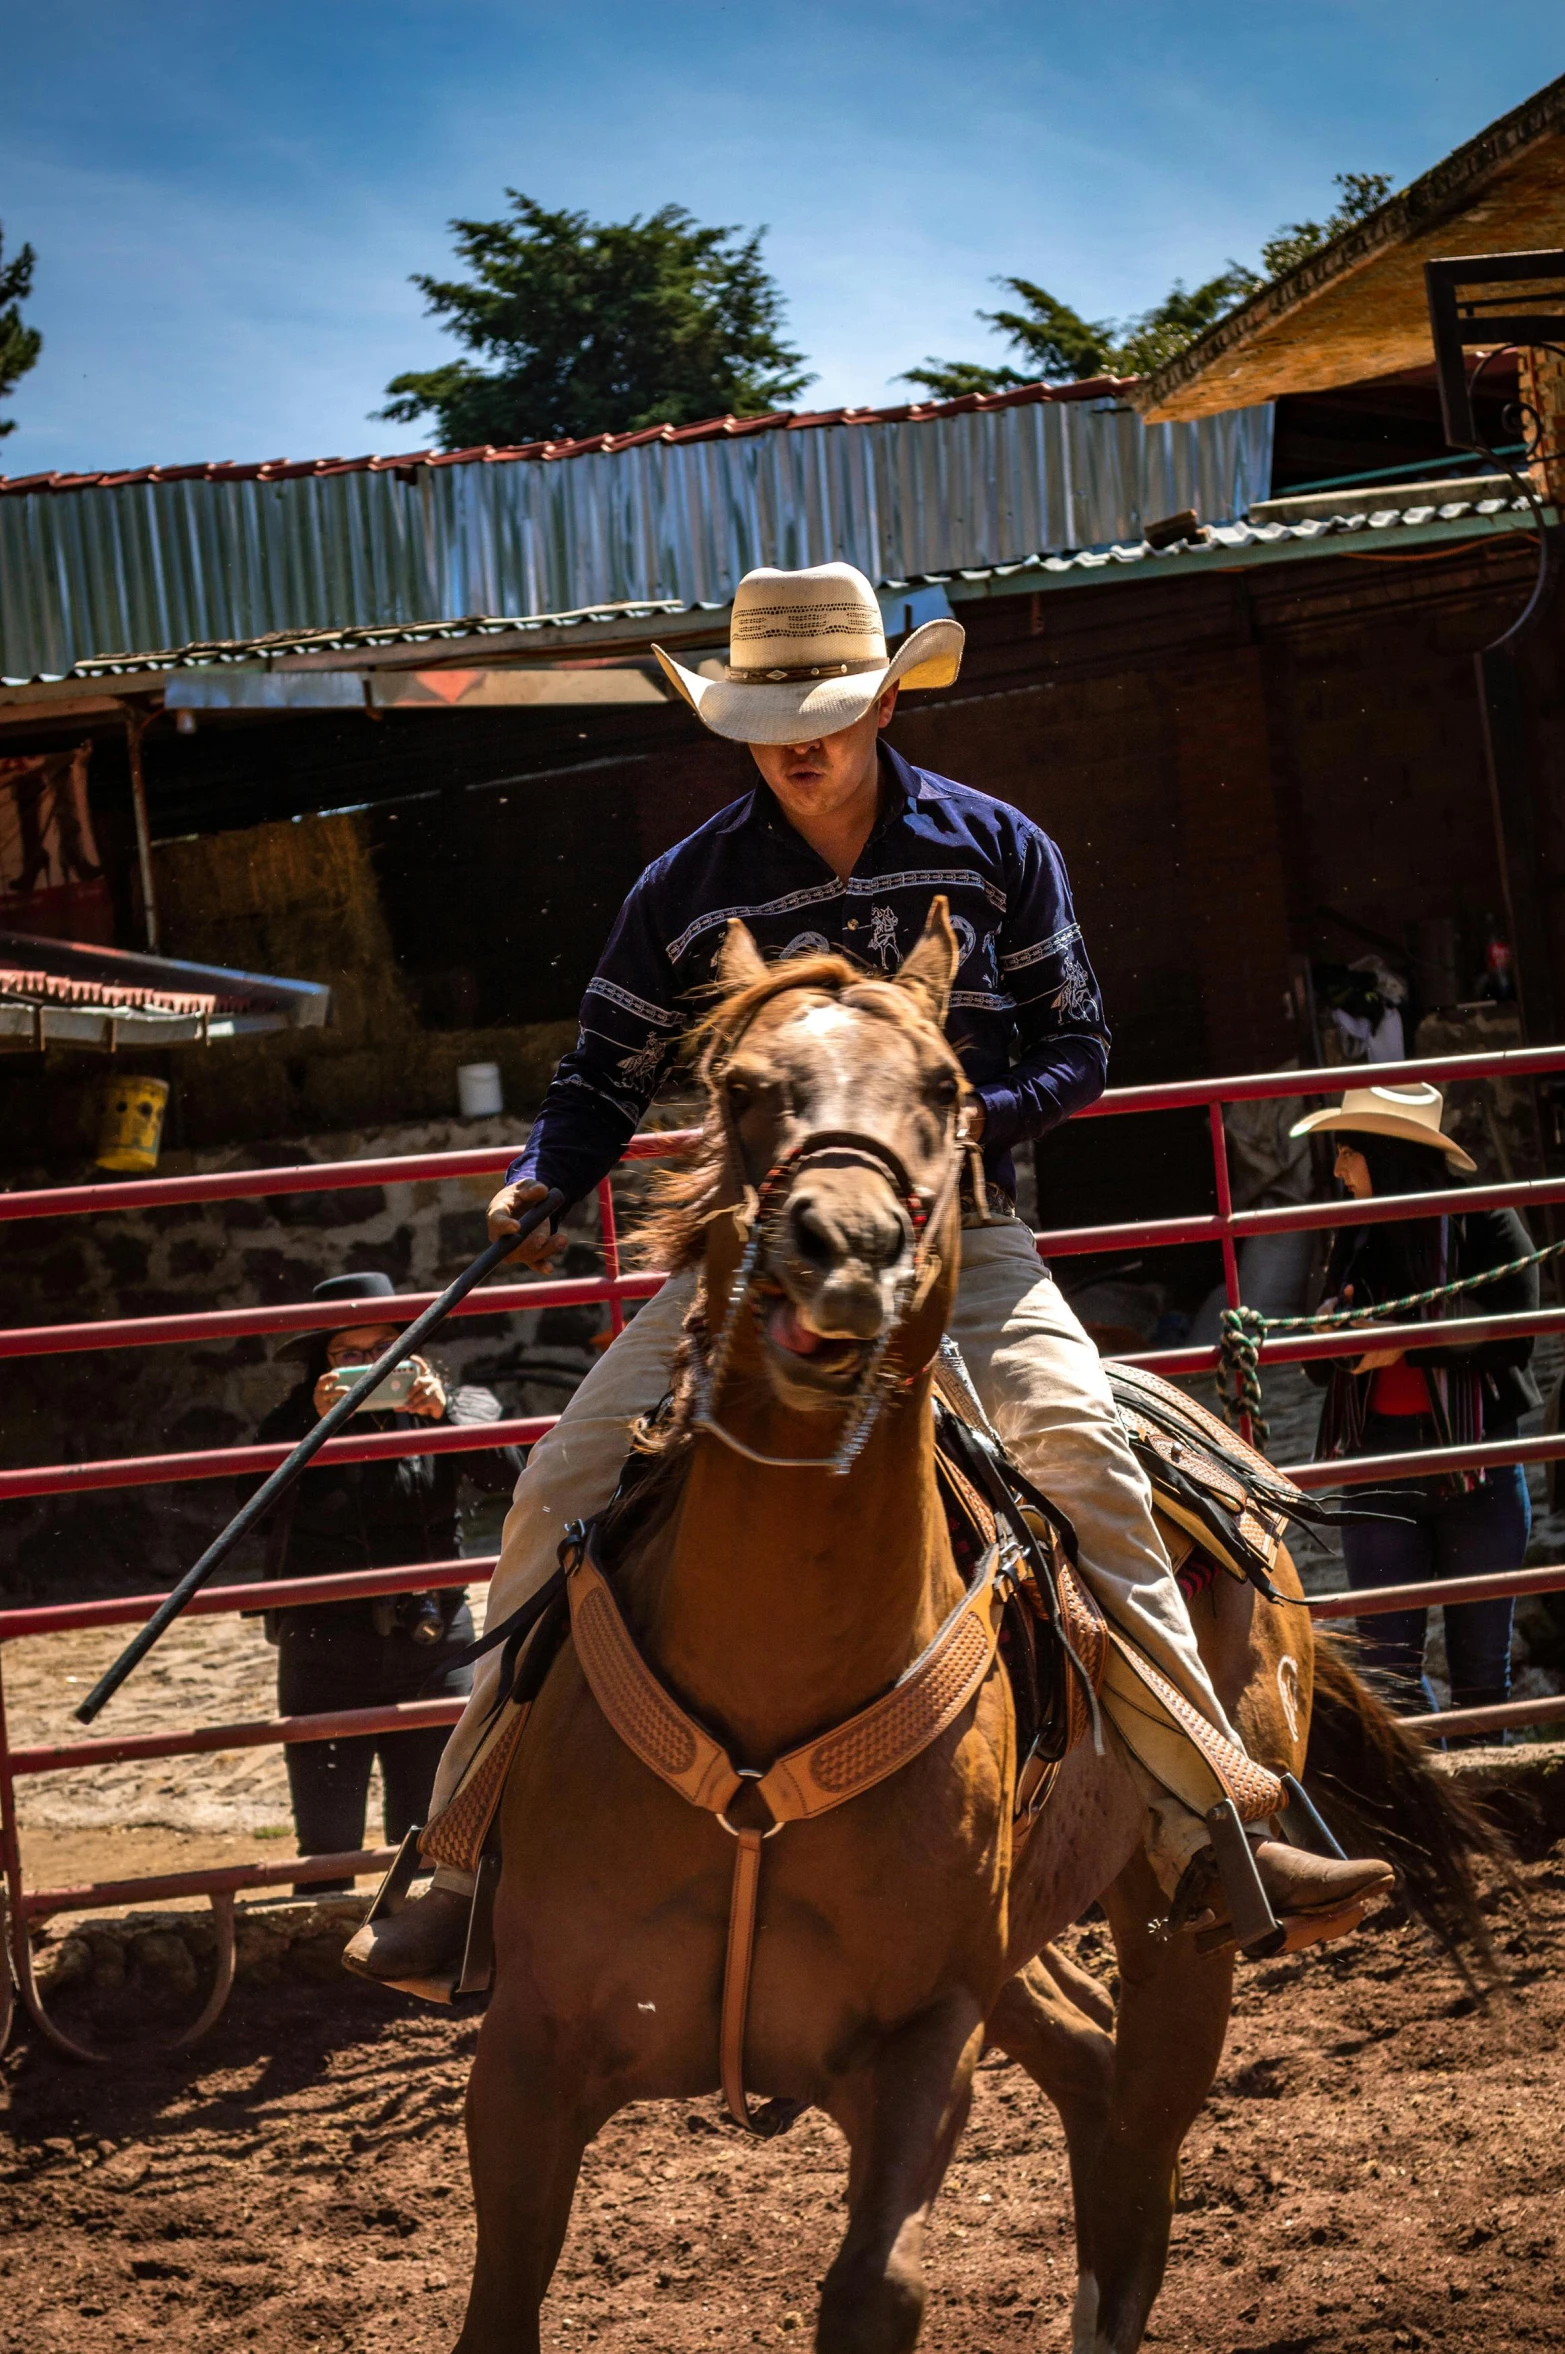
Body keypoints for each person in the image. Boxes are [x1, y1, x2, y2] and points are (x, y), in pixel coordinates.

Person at [348, 561, 1389, 1981]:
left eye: (827, 705)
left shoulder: (995, 846)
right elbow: (601, 1069)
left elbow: (1074, 1045)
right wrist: (546, 1173)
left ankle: (1213, 1817)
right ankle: (464, 1858)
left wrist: (945, 1132)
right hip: (749, 1266)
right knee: (554, 1484)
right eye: (771, 709)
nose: (800, 736)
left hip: (961, 1242)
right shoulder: (688, 885)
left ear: (887, 698)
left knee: (1082, 1449)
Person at [257, 1271, 523, 1886]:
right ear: (320, 1368)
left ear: (414, 1349)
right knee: (325, 1851)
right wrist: (311, 1430)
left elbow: (514, 1476)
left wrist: (445, 1413)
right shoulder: (291, 1422)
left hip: (431, 1639)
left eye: (383, 1349)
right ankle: (323, 1957)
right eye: (348, 1354)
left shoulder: (459, 1404)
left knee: (432, 1841)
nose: (369, 1365)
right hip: (324, 1643)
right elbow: (252, 1507)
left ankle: (417, 1964)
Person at [1291, 1082, 1539, 1733]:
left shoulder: (1482, 1219)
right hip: (1376, 1463)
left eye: (1348, 1152)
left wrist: (1401, 1345)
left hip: (1474, 1464)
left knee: (1482, 1674)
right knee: (1387, 1678)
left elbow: (1515, 1330)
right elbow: (1316, 1363)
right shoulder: (1348, 1231)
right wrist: (1331, 1338)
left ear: (1386, 1155)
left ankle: (1493, 1813)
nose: (1339, 1168)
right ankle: (1428, 1813)